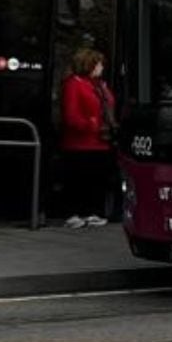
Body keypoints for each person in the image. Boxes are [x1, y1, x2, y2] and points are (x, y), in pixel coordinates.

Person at [59, 48, 116, 228]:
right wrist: (91, 124)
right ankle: (74, 213)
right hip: (80, 143)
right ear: (89, 64)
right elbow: (71, 115)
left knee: (97, 179)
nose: (101, 67)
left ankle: (94, 212)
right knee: (78, 179)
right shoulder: (74, 84)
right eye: (98, 63)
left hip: (101, 141)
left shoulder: (99, 85)